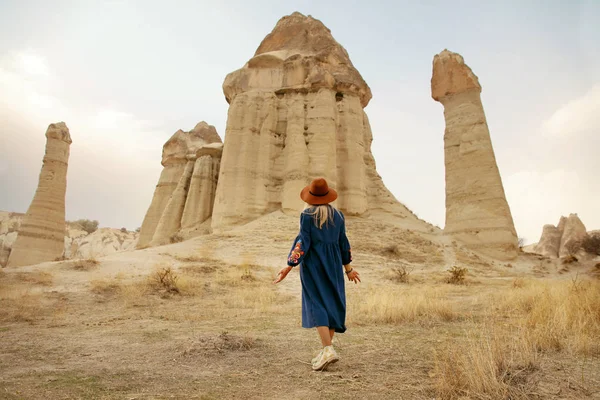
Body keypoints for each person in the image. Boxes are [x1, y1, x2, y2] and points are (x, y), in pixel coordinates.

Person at [273, 177, 361, 371]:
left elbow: (303, 243)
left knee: (316, 304)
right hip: (334, 265)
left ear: (310, 197)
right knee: (330, 303)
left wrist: (289, 265)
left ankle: (328, 350)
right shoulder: (338, 216)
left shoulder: (307, 215)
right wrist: (348, 269)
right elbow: (343, 244)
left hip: (313, 265)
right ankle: (325, 351)